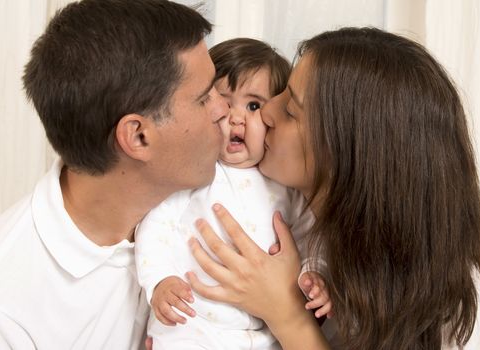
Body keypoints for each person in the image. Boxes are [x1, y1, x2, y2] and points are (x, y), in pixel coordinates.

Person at [186, 27, 480, 350]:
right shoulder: (257, 203)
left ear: (346, 151)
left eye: (290, 110)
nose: (268, 112)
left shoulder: (449, 291)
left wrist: (286, 314)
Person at [0, 0, 229, 348]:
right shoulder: (11, 307)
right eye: (204, 97)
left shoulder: (227, 194)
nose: (224, 108)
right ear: (138, 136)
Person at [135, 38, 332, 350]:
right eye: (225, 103)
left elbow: (314, 239)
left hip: (260, 331)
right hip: (193, 320)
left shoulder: (286, 188)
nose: (236, 117)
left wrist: (315, 275)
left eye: (254, 105)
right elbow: (155, 226)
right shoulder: (197, 174)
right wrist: (160, 280)